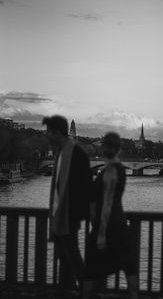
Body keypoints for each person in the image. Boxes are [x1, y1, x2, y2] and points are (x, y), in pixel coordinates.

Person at [84, 132, 139, 299]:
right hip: (120, 224)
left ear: (106, 147)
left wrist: (100, 233)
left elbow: (107, 203)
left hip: (107, 226)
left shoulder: (110, 171)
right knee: (128, 266)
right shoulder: (117, 168)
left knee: (91, 270)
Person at [42, 115, 92, 298]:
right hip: (61, 216)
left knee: (71, 256)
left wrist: (73, 213)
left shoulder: (75, 154)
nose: (46, 135)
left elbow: (84, 186)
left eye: (48, 132)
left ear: (57, 133)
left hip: (69, 216)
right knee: (66, 257)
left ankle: (85, 292)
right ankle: (65, 291)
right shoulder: (63, 152)